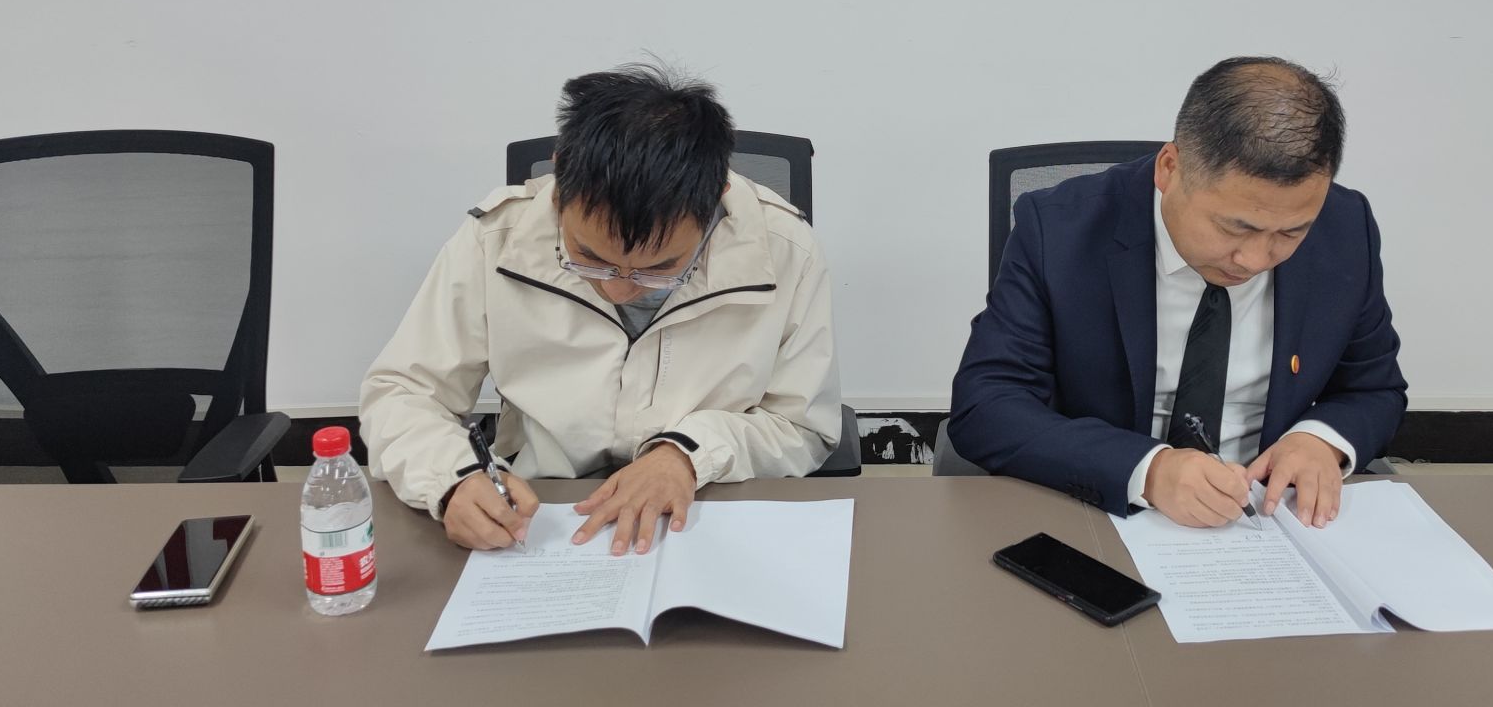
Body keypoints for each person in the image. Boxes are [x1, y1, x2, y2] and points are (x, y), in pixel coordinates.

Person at [361, 64, 840, 555]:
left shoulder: (786, 251)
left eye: (660, 268)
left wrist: (688, 454)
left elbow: (802, 428)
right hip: (543, 513)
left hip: (707, 508)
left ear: (717, 195)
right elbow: (404, 392)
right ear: (559, 180)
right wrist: (453, 477)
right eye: (589, 258)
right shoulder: (496, 239)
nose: (620, 289)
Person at [948, 57, 1406, 527]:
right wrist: (1148, 470)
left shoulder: (1344, 229)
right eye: (1235, 227)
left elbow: (1374, 388)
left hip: (1270, 518)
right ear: (1169, 168)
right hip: (1107, 512)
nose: (1254, 259)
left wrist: (1322, 440)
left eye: (1290, 233)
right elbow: (987, 404)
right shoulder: (1059, 230)